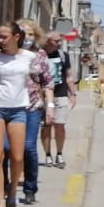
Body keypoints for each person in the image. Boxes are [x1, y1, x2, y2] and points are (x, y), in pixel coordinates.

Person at [0, 20, 34, 207]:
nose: (0, 39)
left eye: (4, 36)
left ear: (16, 37)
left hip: (19, 109)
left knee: (18, 156)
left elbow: (39, 80)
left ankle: (12, 194)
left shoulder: (29, 57)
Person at [7, 20, 52, 204]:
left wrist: (50, 107)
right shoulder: (9, 54)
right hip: (9, 106)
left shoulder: (40, 55)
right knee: (7, 148)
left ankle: (30, 188)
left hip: (32, 106)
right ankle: (6, 188)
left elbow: (48, 82)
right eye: (25, 34)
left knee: (28, 147)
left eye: (32, 34)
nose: (28, 38)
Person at [40, 33, 75, 168]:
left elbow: (69, 76)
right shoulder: (40, 55)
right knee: (46, 126)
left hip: (61, 94)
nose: (59, 43)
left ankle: (59, 154)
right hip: (43, 95)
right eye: (56, 41)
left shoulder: (63, 55)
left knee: (60, 125)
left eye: (60, 40)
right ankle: (48, 155)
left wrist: (73, 93)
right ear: (47, 41)